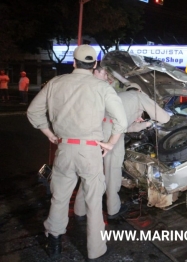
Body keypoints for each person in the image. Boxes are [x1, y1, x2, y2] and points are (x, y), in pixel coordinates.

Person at [27, 45, 128, 260]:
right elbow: (121, 120)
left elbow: (33, 112)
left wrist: (49, 134)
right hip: (90, 151)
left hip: (64, 148)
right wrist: (110, 143)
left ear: (74, 62)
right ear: (94, 65)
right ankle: (95, 250)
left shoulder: (55, 83)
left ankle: (53, 243)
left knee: (60, 197)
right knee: (93, 201)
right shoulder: (101, 87)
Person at [74, 69, 170, 221]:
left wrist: (144, 123)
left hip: (96, 133)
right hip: (112, 136)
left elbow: (128, 126)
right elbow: (164, 118)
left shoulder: (118, 96)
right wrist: (154, 119)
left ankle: (79, 211)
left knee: (90, 173)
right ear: (139, 90)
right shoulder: (139, 96)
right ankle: (113, 210)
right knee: (112, 174)